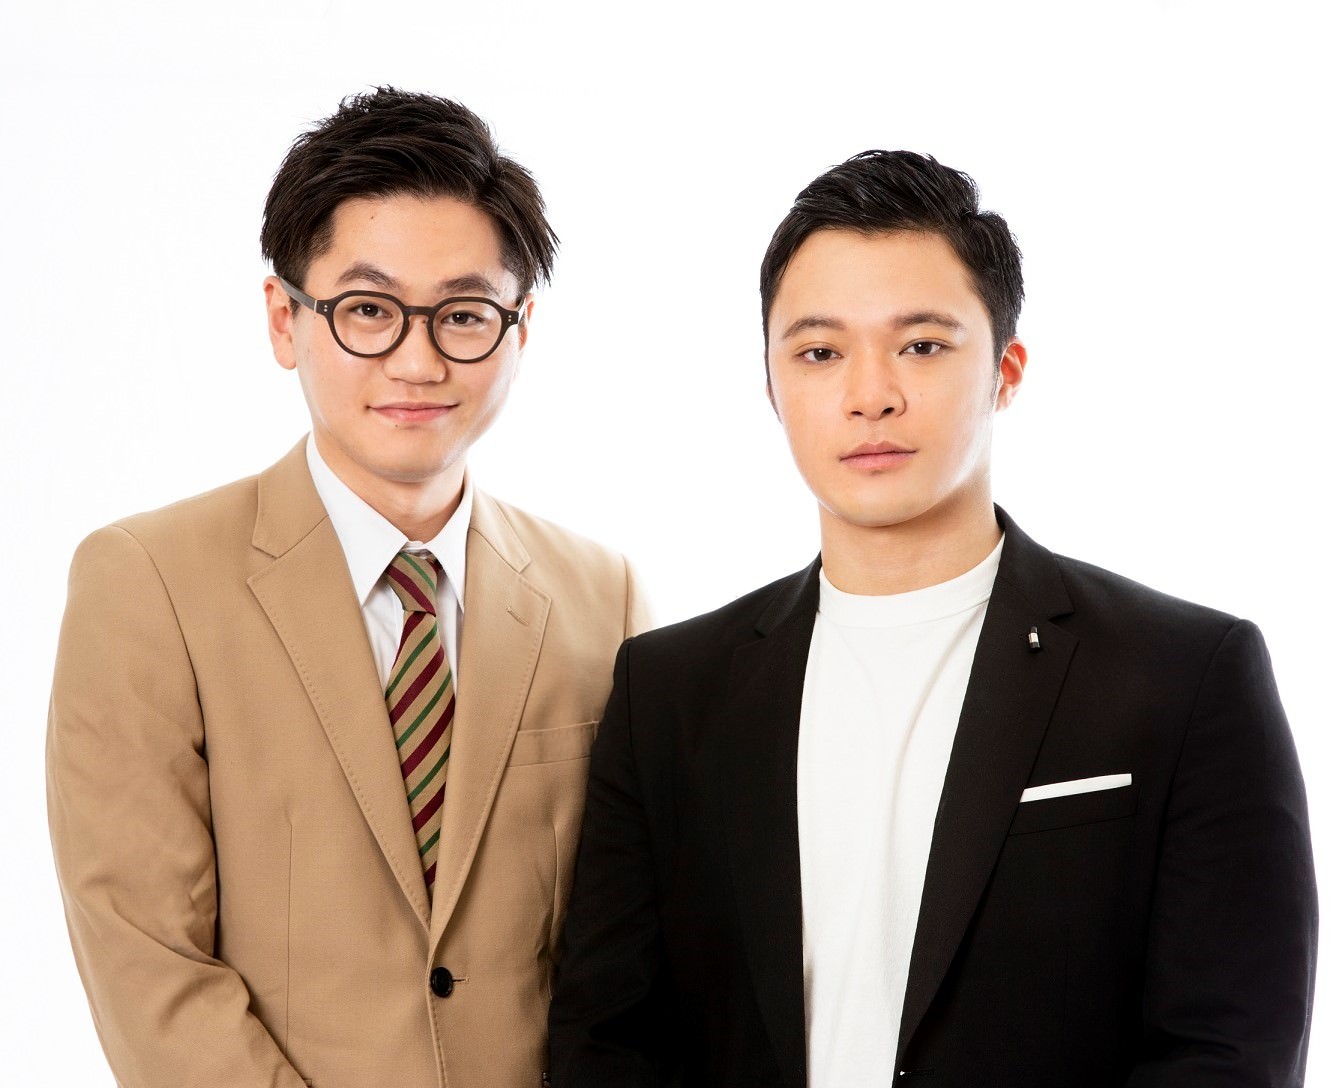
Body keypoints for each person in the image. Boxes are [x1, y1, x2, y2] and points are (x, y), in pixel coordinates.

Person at [548, 150, 1317, 1086]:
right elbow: (606, 1038)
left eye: (920, 345)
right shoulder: (668, 690)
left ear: (1005, 370)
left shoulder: (1182, 673)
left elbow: (1229, 1049)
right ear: (771, 387)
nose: (869, 394)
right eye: (819, 352)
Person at [47, 87, 650, 1088]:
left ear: (519, 331)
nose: (417, 359)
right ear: (284, 319)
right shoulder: (147, 584)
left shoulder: (604, 595)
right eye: (368, 310)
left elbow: (632, 949)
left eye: (464, 314)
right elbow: (148, 967)